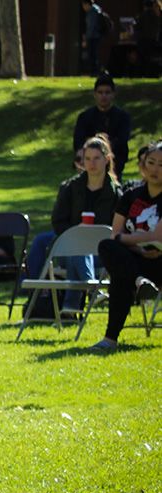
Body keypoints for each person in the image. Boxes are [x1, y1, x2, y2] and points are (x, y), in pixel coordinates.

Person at [27, 135, 122, 314]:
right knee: (72, 245)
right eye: (87, 159)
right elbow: (58, 221)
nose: (91, 163)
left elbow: (118, 226)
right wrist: (76, 235)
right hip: (69, 245)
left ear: (107, 159)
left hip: (102, 250)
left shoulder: (117, 193)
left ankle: (71, 307)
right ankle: (92, 288)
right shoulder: (70, 187)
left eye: (96, 158)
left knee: (79, 248)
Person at [92, 141, 162, 352]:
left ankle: (110, 339)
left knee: (120, 276)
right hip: (135, 258)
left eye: (161, 164)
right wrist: (138, 246)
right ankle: (139, 281)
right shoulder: (130, 196)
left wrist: (126, 240)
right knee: (106, 246)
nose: (155, 169)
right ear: (142, 165)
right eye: (151, 162)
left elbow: (156, 236)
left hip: (159, 260)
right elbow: (115, 234)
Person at [73, 75, 132, 180]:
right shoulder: (85, 117)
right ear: (95, 94)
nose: (103, 96)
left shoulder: (123, 117)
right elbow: (78, 141)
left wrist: (103, 145)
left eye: (107, 92)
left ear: (113, 94)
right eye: (100, 92)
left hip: (115, 166)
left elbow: (122, 139)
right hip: (89, 167)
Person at [81, 0, 109, 75]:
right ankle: (96, 71)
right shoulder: (97, 10)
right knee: (94, 55)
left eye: (83, 5)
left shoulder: (92, 12)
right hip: (97, 36)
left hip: (93, 37)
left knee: (93, 55)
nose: (83, 8)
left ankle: (94, 71)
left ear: (86, 4)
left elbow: (91, 26)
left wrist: (86, 38)